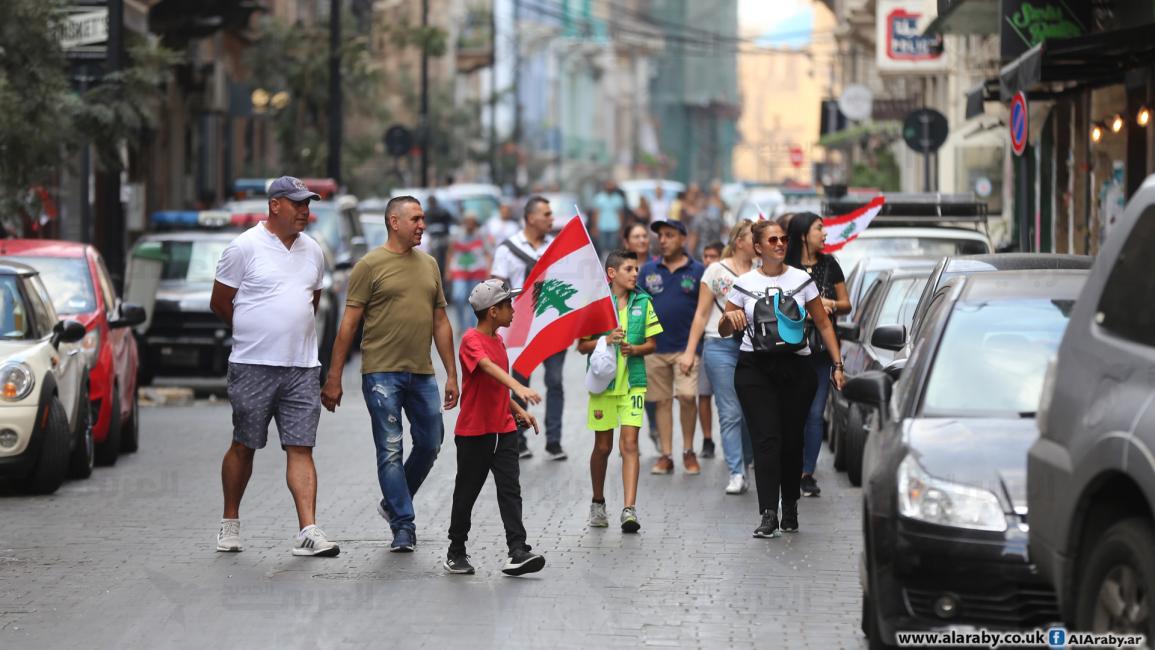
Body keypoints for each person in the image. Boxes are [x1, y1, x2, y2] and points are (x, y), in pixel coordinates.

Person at [321, 195, 459, 553]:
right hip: (381, 374)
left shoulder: (429, 264)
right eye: (415, 219)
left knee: (430, 443)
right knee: (390, 449)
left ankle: (394, 502)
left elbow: (440, 321)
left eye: (423, 218)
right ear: (394, 222)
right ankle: (403, 524)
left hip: (422, 373)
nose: (422, 225)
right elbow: (348, 324)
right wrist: (334, 376)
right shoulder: (369, 265)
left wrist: (451, 374)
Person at [210, 175, 339, 557]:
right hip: (253, 364)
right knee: (244, 444)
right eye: (298, 204)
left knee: (301, 446)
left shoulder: (312, 250)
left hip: (301, 366)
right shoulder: (243, 248)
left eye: (308, 205)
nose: (305, 211)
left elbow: (311, 301)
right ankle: (229, 522)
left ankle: (308, 530)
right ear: (275, 205)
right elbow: (220, 302)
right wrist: (254, 329)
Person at [719, 220, 845, 539]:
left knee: (791, 441)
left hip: (795, 369)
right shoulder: (744, 283)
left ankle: (789, 504)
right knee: (766, 439)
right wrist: (728, 319)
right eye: (772, 239)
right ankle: (768, 513)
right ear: (758, 247)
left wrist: (837, 363)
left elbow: (823, 324)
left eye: (784, 239)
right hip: (755, 369)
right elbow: (724, 328)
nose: (779, 244)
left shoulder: (802, 280)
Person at [445, 280, 547, 576]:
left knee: (510, 490)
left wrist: (518, 410)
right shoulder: (470, 340)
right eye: (508, 305)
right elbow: (488, 368)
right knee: (466, 493)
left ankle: (518, 550)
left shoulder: (500, 340)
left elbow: (496, 388)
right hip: (474, 433)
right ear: (493, 311)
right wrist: (519, 386)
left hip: (503, 429)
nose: (513, 310)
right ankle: (456, 550)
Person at [578, 250, 661, 533]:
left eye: (636, 269)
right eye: (629, 269)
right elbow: (581, 346)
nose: (635, 274)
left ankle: (629, 509)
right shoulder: (597, 305)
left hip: (634, 383)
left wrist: (635, 349)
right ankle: (598, 502)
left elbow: (652, 344)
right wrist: (605, 339)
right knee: (603, 447)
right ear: (612, 274)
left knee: (630, 445)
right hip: (604, 385)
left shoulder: (644, 302)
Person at [490, 196, 567, 461]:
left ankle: (554, 441)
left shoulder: (558, 247)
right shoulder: (507, 249)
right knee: (520, 383)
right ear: (531, 217)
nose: (551, 219)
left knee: (555, 382)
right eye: (546, 214)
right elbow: (496, 289)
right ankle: (520, 438)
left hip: (553, 324)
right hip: (521, 327)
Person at [680, 224, 756, 495]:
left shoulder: (762, 270)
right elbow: (701, 314)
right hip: (719, 345)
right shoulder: (715, 271)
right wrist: (690, 351)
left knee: (751, 412)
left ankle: (745, 462)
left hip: (754, 347)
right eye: (752, 238)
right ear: (738, 242)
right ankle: (736, 472)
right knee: (730, 411)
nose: (758, 243)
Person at [785, 212, 850, 498]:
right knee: (790, 412)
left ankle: (806, 473)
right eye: (819, 229)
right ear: (803, 235)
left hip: (821, 351)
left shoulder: (830, 264)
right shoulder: (786, 268)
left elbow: (846, 304)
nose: (824, 234)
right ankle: (788, 465)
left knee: (814, 414)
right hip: (789, 350)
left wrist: (829, 303)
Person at [640, 220, 706, 475]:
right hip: (655, 348)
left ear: (683, 239)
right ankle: (666, 455)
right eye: (660, 236)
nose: (663, 240)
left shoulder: (698, 270)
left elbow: (702, 311)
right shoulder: (648, 270)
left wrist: (692, 349)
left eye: (669, 235)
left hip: (685, 348)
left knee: (688, 397)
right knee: (661, 402)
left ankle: (689, 451)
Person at [694, 242, 724, 460]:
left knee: (728, 399)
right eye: (705, 255)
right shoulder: (700, 280)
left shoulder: (727, 281)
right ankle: (707, 439)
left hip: (725, 342)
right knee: (703, 394)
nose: (708, 260)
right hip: (704, 343)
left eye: (713, 256)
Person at [445, 212, 490, 334]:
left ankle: (470, 327)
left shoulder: (481, 234)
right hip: (459, 271)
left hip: (477, 271)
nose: (470, 224)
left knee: (473, 300)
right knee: (458, 297)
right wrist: (448, 270)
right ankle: (461, 324)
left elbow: (487, 253)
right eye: (467, 222)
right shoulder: (456, 234)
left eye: (472, 222)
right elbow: (450, 252)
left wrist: (489, 271)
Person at [689, 182, 727, 259]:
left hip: (702, 255)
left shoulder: (699, 217)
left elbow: (693, 240)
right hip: (714, 255)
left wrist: (689, 257)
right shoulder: (718, 218)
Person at [592, 180, 626, 256]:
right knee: (602, 247)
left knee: (613, 247)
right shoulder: (599, 198)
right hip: (602, 226)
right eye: (608, 185)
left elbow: (621, 214)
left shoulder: (618, 198)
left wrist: (621, 228)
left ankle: (611, 262)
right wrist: (595, 227)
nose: (609, 187)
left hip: (615, 226)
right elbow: (596, 213)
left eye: (611, 185)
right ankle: (604, 262)